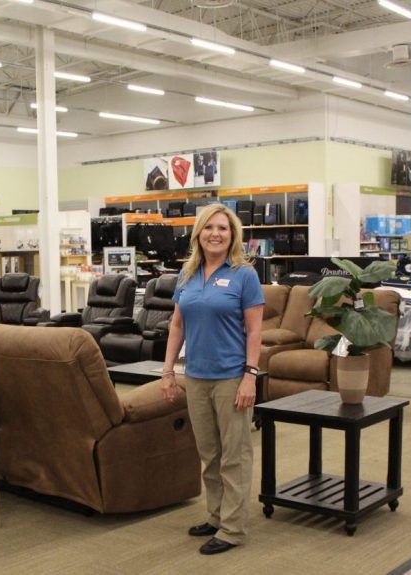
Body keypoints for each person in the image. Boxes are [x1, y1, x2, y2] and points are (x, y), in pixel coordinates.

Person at [160, 203, 264, 556]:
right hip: (196, 377)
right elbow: (177, 325)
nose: (215, 234)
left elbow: (254, 331)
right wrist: (168, 371)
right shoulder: (187, 275)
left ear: (232, 235)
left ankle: (233, 529)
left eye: (222, 228)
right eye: (209, 228)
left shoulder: (244, 275)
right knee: (209, 454)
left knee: (234, 455)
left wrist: (250, 376)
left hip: (232, 377)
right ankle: (217, 515)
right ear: (198, 234)